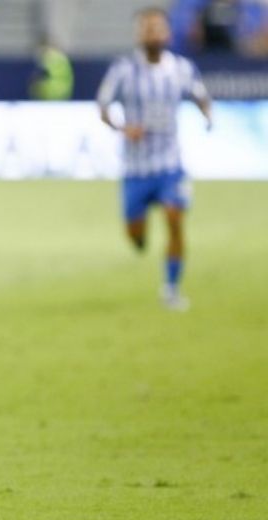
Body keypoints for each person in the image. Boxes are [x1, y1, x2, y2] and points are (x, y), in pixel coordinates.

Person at [97, 6, 212, 311]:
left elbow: (200, 94)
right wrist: (122, 127)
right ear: (138, 34)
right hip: (135, 168)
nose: (152, 33)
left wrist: (207, 114)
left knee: (175, 219)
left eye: (157, 28)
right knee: (135, 236)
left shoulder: (182, 68)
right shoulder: (123, 69)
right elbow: (103, 106)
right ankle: (139, 234)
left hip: (170, 164)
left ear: (167, 33)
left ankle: (171, 288)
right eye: (146, 28)